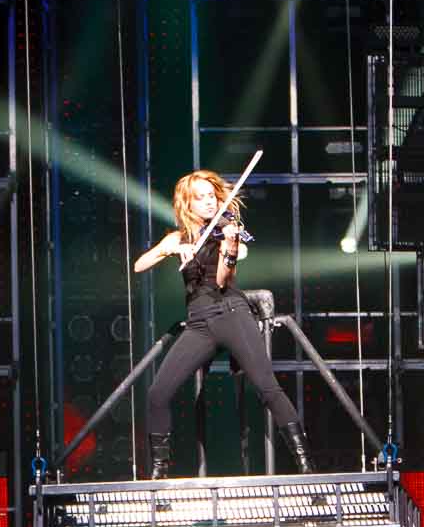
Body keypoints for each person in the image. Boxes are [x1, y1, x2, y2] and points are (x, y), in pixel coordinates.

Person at [133, 169, 311, 477]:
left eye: (212, 196)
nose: (208, 202)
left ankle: (306, 465)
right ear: (187, 204)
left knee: (267, 387)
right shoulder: (178, 237)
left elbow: (222, 281)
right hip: (198, 323)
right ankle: (159, 472)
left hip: (230, 313)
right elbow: (139, 266)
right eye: (199, 198)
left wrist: (228, 251)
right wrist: (172, 248)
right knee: (157, 394)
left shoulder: (228, 232)